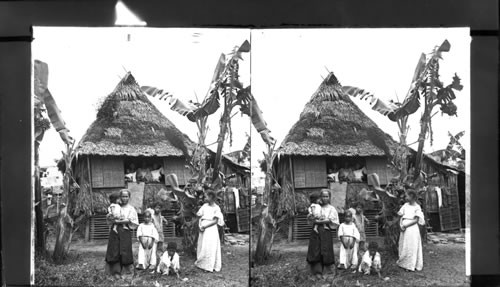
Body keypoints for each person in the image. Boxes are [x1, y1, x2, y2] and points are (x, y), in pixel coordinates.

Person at [105, 189, 139, 280]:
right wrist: (110, 217)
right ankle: (115, 272)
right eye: (123, 196)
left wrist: (118, 221)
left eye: (126, 196)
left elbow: (131, 220)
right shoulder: (114, 206)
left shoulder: (131, 209)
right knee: (114, 250)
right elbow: (109, 219)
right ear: (120, 197)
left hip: (125, 231)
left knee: (125, 250)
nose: (124, 198)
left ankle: (127, 272)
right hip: (115, 231)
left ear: (129, 197)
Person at [306, 190, 339, 279]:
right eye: (323, 196)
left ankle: (328, 272)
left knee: (326, 250)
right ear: (320, 198)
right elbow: (310, 218)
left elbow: (332, 220)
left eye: (326, 196)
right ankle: (316, 272)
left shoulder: (331, 209)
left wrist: (319, 221)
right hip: (315, 232)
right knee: (315, 251)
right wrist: (311, 218)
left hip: (325, 232)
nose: (325, 198)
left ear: (329, 197)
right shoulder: (315, 207)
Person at [195, 190, 224, 272]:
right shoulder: (204, 206)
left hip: (210, 229)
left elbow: (215, 221)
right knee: (203, 245)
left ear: (211, 197)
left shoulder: (216, 208)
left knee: (210, 247)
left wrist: (205, 226)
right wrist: (200, 221)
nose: (205, 198)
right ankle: (202, 264)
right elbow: (199, 214)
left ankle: (209, 266)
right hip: (203, 228)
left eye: (206, 196)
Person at [397, 189, 425, 271]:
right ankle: (403, 263)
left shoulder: (417, 207)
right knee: (404, 245)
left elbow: (416, 220)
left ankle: (410, 265)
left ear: (412, 196)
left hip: (412, 229)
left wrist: (406, 225)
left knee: (411, 246)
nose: (405, 197)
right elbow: (400, 215)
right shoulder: (405, 205)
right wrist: (401, 225)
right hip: (404, 228)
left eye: (407, 196)